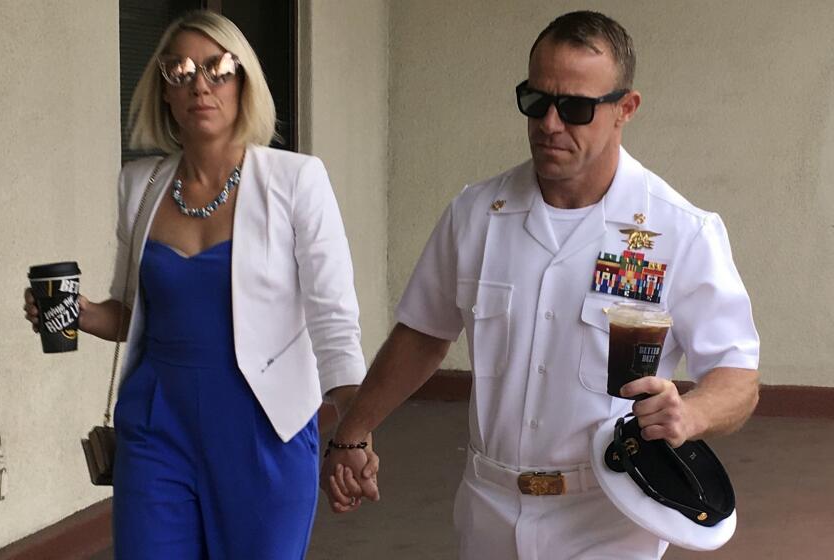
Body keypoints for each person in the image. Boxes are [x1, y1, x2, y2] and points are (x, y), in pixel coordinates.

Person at [321, 10, 759, 560]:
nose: (550, 123)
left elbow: (738, 376)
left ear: (626, 109)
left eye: (576, 107)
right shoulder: (477, 214)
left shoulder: (679, 231)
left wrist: (690, 414)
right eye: (535, 100)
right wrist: (353, 430)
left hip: (609, 514)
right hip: (490, 506)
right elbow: (423, 334)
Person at [23, 10, 376, 559]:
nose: (200, 85)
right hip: (158, 427)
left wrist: (357, 426)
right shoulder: (140, 185)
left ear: (244, 83)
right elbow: (133, 311)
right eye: (180, 71)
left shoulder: (295, 180)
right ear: (164, 91)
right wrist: (76, 310)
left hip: (264, 431)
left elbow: (333, 320)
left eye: (218, 68)